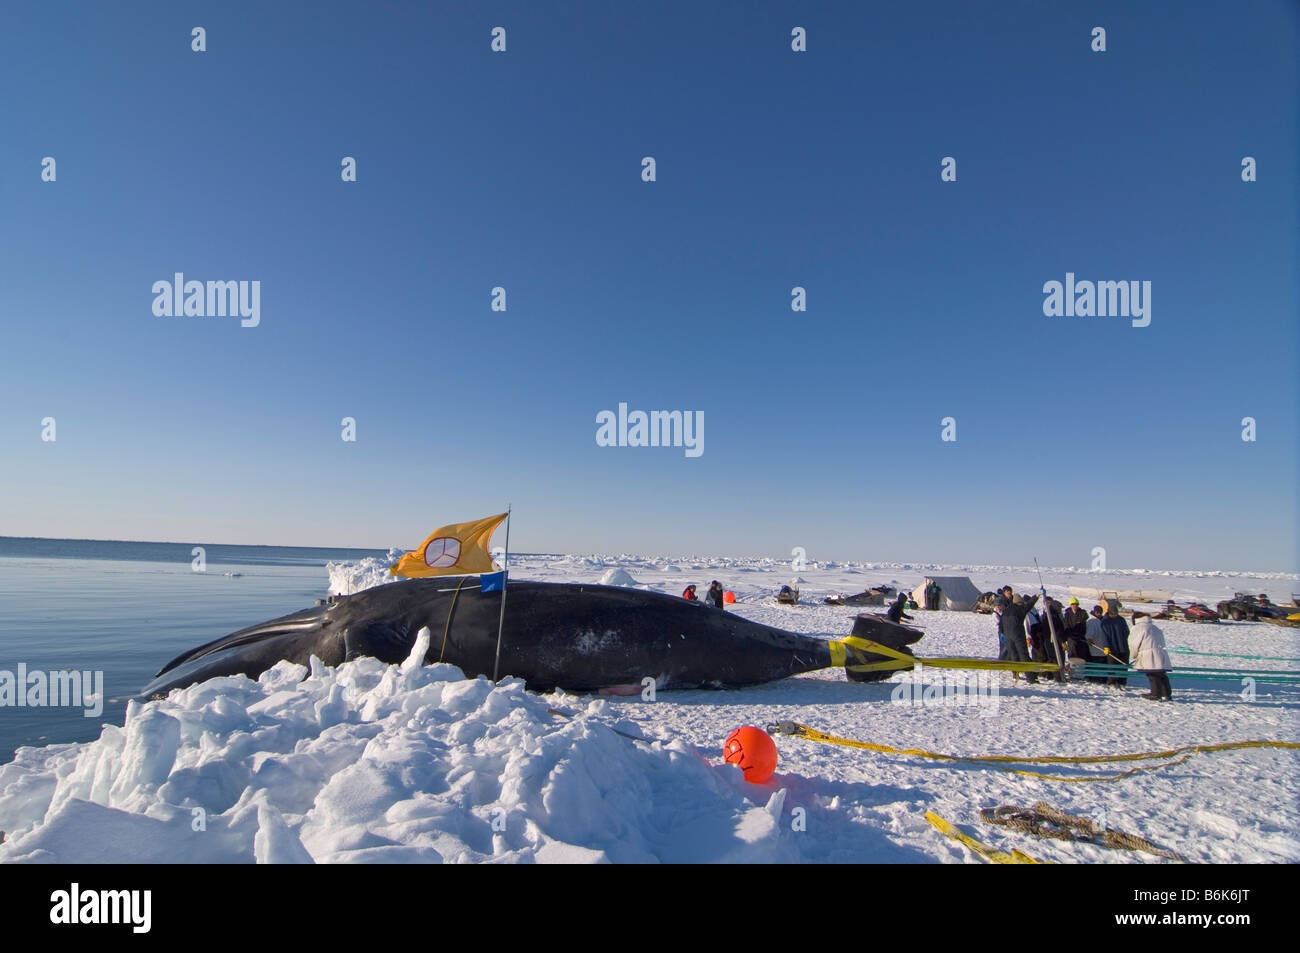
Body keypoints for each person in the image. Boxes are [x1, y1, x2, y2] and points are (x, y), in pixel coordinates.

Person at [1129, 611, 1172, 701]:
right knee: (1161, 674)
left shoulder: (1138, 628)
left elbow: (1134, 643)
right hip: (1160, 653)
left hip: (1148, 654)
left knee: (1152, 675)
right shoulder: (1154, 627)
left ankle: (1155, 694)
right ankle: (1166, 693)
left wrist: (1133, 655)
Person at [999, 590, 1039, 683]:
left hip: (1007, 636)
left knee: (1013, 655)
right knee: (1023, 655)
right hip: (1018, 635)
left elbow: (1001, 624)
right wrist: (1036, 597)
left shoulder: (1006, 610)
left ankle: (1015, 675)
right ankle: (1030, 678)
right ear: (1019, 602)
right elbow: (1029, 605)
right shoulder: (1020, 609)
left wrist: (1002, 633)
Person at [1099, 602, 1131, 687]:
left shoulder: (1121, 620)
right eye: (1113, 614)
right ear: (1109, 612)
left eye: (1116, 614)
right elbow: (1104, 635)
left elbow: (1127, 632)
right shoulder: (1105, 622)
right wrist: (1106, 646)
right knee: (1112, 666)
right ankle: (1111, 682)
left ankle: (1122, 682)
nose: (1115, 615)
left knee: (1123, 665)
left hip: (1123, 646)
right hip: (1112, 648)